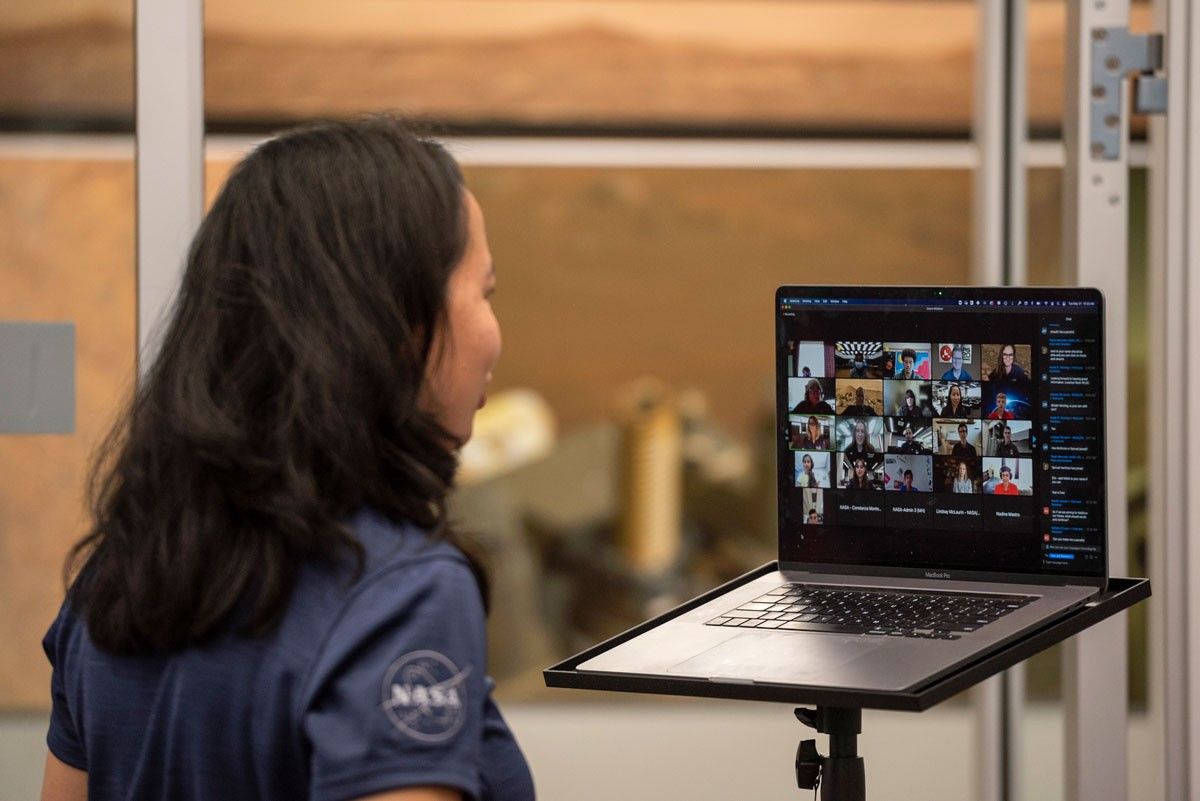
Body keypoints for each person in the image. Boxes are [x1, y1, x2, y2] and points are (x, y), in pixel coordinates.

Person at [40, 118, 534, 801]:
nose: (495, 335)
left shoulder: (118, 576)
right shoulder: (399, 593)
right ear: (396, 325)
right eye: (485, 293)